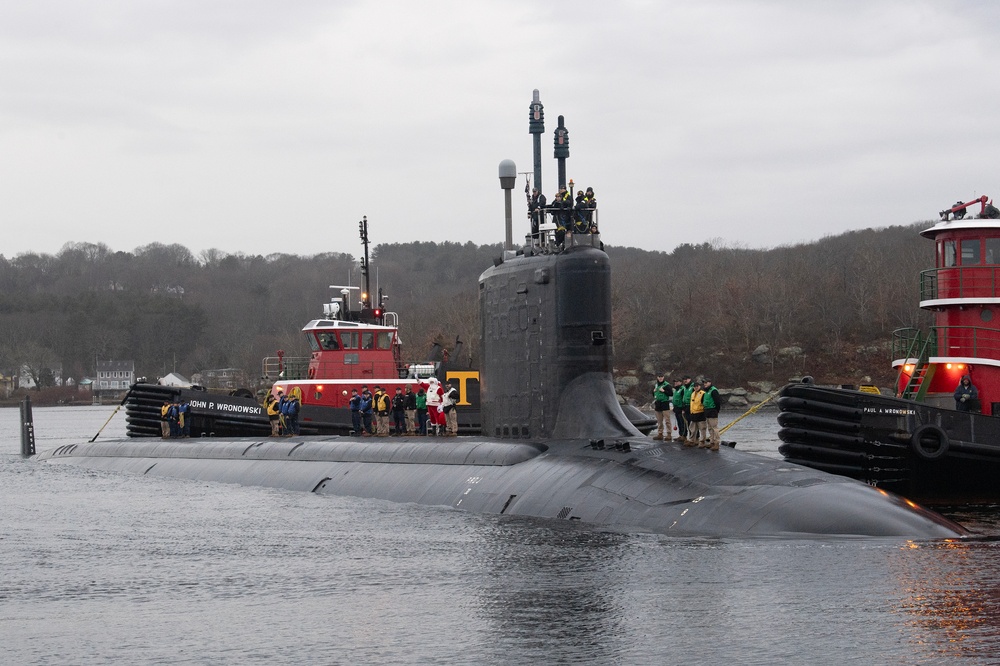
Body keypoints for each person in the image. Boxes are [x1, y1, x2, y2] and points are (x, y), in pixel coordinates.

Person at [651, 373, 673, 441]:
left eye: (662, 377)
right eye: (659, 377)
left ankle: (669, 434)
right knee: (659, 421)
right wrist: (653, 391)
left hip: (665, 403)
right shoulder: (656, 385)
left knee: (667, 420)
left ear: (663, 377)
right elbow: (654, 394)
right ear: (657, 377)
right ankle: (660, 434)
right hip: (658, 404)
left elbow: (671, 393)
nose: (660, 378)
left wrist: (664, 391)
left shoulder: (667, 385)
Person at [702, 378, 721, 451]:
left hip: (712, 410)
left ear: (710, 382)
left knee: (714, 428)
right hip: (707, 410)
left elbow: (717, 401)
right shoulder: (706, 391)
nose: (705, 384)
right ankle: (712, 441)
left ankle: (717, 443)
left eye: (706, 382)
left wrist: (717, 410)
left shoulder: (713, 390)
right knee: (709, 428)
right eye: (704, 383)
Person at [689, 380, 707, 447]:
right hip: (693, 414)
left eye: (697, 386)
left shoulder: (703, 393)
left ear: (700, 386)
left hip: (701, 414)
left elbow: (704, 404)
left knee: (702, 429)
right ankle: (692, 440)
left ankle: (702, 442)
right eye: (694, 386)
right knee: (692, 429)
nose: (696, 387)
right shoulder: (693, 393)